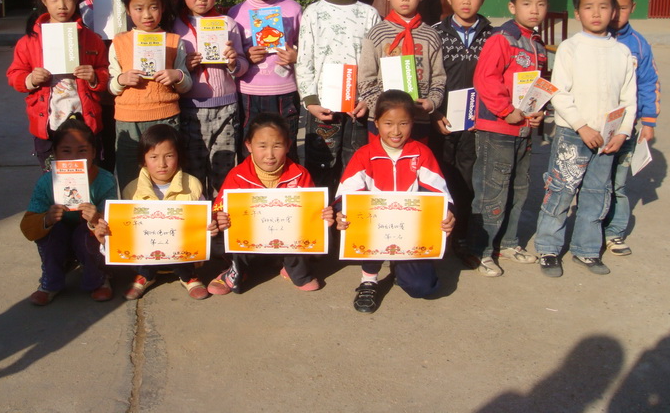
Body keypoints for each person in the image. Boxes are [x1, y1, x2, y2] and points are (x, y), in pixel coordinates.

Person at [534, 0, 637, 277]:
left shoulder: (621, 53)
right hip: (573, 135)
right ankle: (549, 248)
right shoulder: (570, 48)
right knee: (561, 191)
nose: (596, 13)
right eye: (588, 7)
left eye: (603, 7)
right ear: (577, 13)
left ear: (613, 12)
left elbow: (629, 99)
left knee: (597, 193)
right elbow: (558, 92)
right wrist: (582, 127)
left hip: (607, 138)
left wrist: (622, 132)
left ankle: (586, 249)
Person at [335, 90, 455, 313]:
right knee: (363, 221)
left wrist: (447, 213)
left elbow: (438, 191)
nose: (396, 131)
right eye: (388, 123)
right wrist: (342, 212)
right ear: (377, 123)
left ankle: (401, 265)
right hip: (375, 226)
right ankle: (368, 280)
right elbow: (347, 193)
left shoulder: (422, 153)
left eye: (404, 123)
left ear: (412, 124)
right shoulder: (364, 155)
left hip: (409, 231)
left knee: (422, 287)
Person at [469, 0, 549, 277]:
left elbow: (538, 86)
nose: (534, 10)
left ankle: (509, 242)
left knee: (519, 187)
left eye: (541, 4)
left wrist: (538, 111)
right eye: (527, 4)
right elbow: (485, 78)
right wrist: (506, 110)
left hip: (524, 129)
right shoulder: (503, 39)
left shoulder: (537, 43)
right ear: (512, 6)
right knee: (492, 190)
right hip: (498, 129)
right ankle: (482, 250)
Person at [209, 113, 336, 295]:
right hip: (250, 242)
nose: (269, 154)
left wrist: (322, 217)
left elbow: (311, 212)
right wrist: (219, 218)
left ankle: (294, 270)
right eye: (262, 146)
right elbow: (218, 208)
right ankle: (236, 271)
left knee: (323, 235)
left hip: (286, 241)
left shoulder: (300, 174)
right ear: (248, 146)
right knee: (216, 236)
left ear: (288, 146)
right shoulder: (237, 175)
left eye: (277, 146)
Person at [296, 0, 380, 197]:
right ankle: (321, 225)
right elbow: (304, 60)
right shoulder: (313, 12)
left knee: (354, 168)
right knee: (321, 166)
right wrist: (310, 101)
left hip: (357, 108)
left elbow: (377, 64)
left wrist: (367, 99)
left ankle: (347, 225)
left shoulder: (369, 14)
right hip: (324, 107)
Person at [6, 0, 109, 171]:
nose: (62, 5)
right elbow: (14, 74)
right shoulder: (29, 42)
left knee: (87, 177)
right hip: (48, 126)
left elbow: (105, 71)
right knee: (53, 179)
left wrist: (95, 77)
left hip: (85, 124)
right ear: (43, 0)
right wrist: (31, 79)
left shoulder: (91, 39)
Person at [98, 124, 214, 300]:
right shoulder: (132, 189)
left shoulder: (193, 185)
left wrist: (209, 227)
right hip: (147, 251)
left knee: (188, 242)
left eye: (169, 156)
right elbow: (125, 228)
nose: (162, 164)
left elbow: (202, 219)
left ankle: (188, 276)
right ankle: (145, 274)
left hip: (181, 251)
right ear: (143, 160)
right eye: (153, 157)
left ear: (179, 157)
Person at [430, 0, 493, 265]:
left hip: (475, 125)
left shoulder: (493, 37)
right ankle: (433, 234)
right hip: (441, 122)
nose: (466, 0)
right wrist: (434, 113)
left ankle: (463, 238)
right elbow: (426, 77)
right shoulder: (434, 34)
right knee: (438, 176)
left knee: (468, 181)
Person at [20, 116, 118, 305]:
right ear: (55, 154)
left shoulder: (105, 179)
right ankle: (50, 282)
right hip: (61, 235)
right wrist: (46, 219)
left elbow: (114, 224)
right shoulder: (47, 182)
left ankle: (98, 279)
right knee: (52, 231)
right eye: (66, 151)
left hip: (87, 237)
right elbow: (28, 227)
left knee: (85, 233)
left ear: (94, 153)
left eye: (82, 151)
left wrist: (96, 218)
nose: (74, 158)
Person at [172, 0, 248, 196]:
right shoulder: (175, 27)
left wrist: (234, 62)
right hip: (189, 110)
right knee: (193, 172)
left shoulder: (228, 24)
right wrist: (183, 67)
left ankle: (221, 219)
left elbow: (244, 65)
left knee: (222, 170)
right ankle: (199, 224)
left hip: (225, 107)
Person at [109, 0, 192, 191]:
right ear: (128, 9)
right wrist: (121, 80)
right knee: (130, 181)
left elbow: (187, 83)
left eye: (153, 7)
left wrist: (177, 76)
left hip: (165, 118)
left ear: (162, 7)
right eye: (138, 8)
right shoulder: (119, 42)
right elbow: (111, 84)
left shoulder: (173, 41)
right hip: (128, 121)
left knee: (166, 179)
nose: (147, 15)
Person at [602, 0, 660, 257]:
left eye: (621, 8)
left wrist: (648, 122)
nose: (614, 15)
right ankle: (588, 230)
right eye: (609, 7)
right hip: (594, 126)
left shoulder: (639, 45)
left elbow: (649, 83)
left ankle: (614, 233)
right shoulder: (593, 40)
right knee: (591, 182)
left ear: (632, 8)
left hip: (625, 127)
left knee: (618, 183)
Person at [358, 0, 446, 141]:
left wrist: (432, 103)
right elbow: (366, 78)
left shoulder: (430, 36)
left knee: (414, 165)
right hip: (382, 120)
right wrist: (381, 108)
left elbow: (439, 77)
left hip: (418, 119)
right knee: (381, 166)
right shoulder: (377, 34)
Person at [228, 0, 301, 160]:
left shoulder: (292, 9)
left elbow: (304, 46)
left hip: (285, 91)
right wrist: (247, 57)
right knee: (250, 149)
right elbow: (234, 55)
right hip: (249, 92)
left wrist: (295, 56)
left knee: (286, 147)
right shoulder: (236, 12)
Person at [79, 0, 128, 172]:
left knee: (129, 154)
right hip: (96, 97)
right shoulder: (80, 12)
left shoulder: (136, 8)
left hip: (127, 93)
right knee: (102, 157)